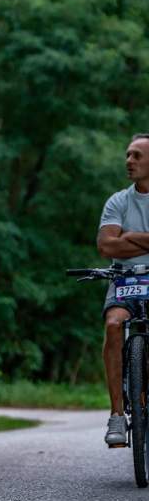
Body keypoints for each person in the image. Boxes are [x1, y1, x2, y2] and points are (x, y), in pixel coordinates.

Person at [97, 133, 149, 446]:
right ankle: (117, 414)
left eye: (137, 156)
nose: (129, 161)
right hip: (124, 280)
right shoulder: (118, 200)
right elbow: (106, 246)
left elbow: (118, 241)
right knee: (114, 324)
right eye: (128, 155)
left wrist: (129, 236)